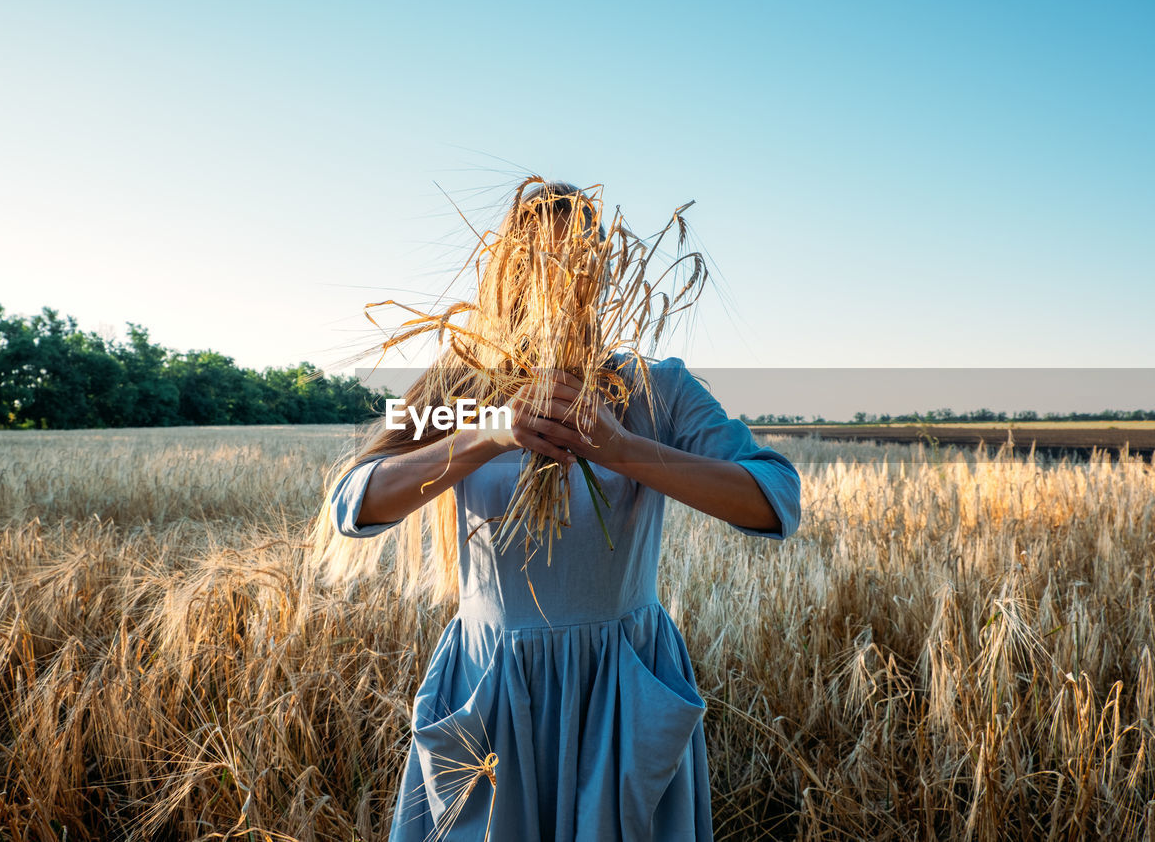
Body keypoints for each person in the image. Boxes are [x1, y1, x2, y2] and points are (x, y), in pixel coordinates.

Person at [318, 180, 801, 841]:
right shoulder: (461, 385)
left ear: (606, 274)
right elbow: (354, 502)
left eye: (581, 264)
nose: (563, 285)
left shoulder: (656, 390)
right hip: (491, 687)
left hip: (619, 688)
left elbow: (775, 500)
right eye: (539, 265)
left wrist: (620, 447)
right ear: (506, 274)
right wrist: (488, 432)